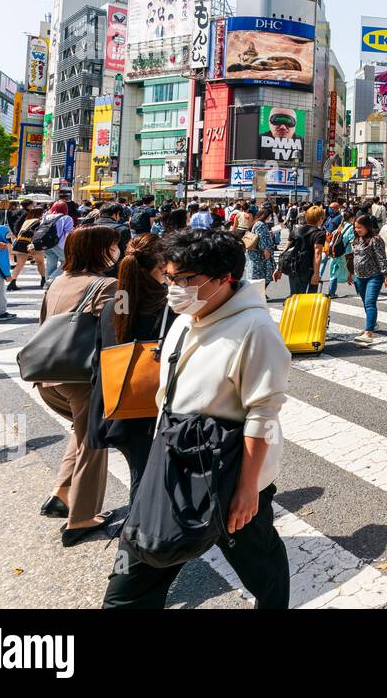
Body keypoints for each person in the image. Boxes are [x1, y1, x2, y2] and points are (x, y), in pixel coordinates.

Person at [103, 230, 291, 608]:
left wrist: (247, 490)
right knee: (130, 583)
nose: (175, 288)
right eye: (170, 278)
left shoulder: (256, 328)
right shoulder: (185, 318)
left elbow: (263, 414)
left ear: (226, 278)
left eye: (187, 280)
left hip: (230, 473)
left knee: (262, 568)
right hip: (173, 465)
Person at [35, 225, 121, 545]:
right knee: (94, 444)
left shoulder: (58, 280)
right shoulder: (107, 285)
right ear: (99, 250)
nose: (117, 252)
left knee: (82, 435)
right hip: (82, 379)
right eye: (113, 246)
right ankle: (81, 518)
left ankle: (61, 494)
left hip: (47, 376)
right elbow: (115, 332)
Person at [88, 234, 166, 498]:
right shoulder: (168, 308)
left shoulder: (114, 305)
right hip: (154, 408)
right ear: (159, 268)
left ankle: (138, 527)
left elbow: (99, 358)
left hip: (118, 403)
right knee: (152, 480)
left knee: (139, 474)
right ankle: (138, 532)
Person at [348, 214, 387, 343]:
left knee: (370, 303)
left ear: (367, 226)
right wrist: (351, 273)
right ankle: (372, 324)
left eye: (360, 227)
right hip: (359, 277)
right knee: (366, 303)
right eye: (355, 227)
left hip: (374, 276)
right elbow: (354, 258)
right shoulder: (357, 239)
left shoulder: (376, 239)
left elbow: (381, 258)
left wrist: (386, 276)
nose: (357, 230)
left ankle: (368, 333)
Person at [282, 205, 327, 296]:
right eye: (323, 217)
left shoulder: (295, 230)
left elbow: (287, 250)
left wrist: (279, 268)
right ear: (319, 219)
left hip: (293, 267)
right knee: (308, 300)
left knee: (295, 296)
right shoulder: (319, 234)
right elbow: (317, 254)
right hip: (308, 270)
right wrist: (316, 273)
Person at [8, 207, 47, 291]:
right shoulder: (39, 221)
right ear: (39, 214)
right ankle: (43, 280)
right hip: (33, 244)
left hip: (21, 243)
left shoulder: (26, 221)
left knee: (19, 264)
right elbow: (38, 234)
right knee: (40, 263)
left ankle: (12, 282)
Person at [323, 209, 356, 299]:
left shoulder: (340, 226)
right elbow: (352, 241)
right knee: (353, 273)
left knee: (333, 273)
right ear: (352, 218)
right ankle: (360, 292)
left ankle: (331, 293)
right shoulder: (351, 227)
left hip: (334, 253)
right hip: (345, 254)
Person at [42, 200, 76, 282]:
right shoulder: (66, 218)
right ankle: (50, 280)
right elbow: (69, 233)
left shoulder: (46, 217)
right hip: (59, 244)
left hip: (46, 243)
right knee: (69, 262)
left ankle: (48, 284)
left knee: (51, 263)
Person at [245, 205, 278, 283]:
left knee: (258, 279)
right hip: (260, 256)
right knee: (262, 279)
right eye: (270, 215)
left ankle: (260, 293)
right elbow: (262, 240)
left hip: (256, 255)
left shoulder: (257, 223)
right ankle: (260, 294)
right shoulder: (261, 224)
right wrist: (266, 252)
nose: (270, 217)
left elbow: (259, 237)